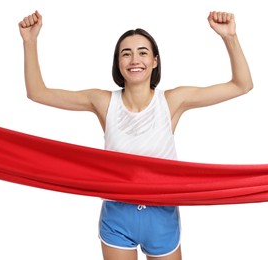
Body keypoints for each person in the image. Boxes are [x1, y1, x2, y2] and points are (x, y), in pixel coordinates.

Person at [19, 10, 253, 260]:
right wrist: (29, 41)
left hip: (161, 218)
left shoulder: (173, 101)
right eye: (126, 53)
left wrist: (230, 37)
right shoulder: (103, 101)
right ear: (118, 63)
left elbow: (242, 85)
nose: (134, 59)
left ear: (154, 61)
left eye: (142, 52)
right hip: (118, 217)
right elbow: (38, 92)